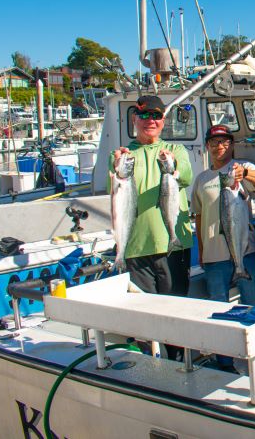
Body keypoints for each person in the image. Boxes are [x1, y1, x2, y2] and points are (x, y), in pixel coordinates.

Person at [109, 95, 193, 361]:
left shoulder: (175, 150)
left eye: (156, 116)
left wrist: (172, 165)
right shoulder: (124, 155)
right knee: (145, 314)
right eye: (144, 116)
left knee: (176, 311)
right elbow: (114, 188)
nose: (150, 121)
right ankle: (153, 364)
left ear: (163, 121)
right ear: (135, 119)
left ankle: (180, 363)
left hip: (173, 243)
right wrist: (116, 165)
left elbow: (187, 176)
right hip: (135, 248)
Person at [191, 124, 255, 374]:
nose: (220, 146)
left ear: (232, 145)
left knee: (253, 305)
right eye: (215, 142)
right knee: (218, 308)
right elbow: (198, 216)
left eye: (225, 141)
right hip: (215, 258)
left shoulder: (243, 170)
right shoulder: (201, 179)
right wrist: (203, 251)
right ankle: (224, 361)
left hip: (245, 253)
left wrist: (245, 175)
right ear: (208, 146)